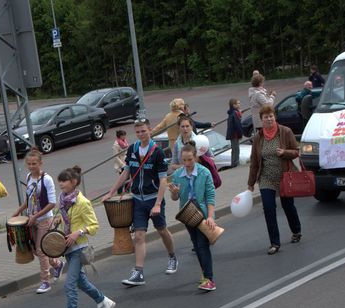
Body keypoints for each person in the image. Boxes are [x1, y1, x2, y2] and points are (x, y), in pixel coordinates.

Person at [103, 118, 177, 286]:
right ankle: (139, 272)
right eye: (138, 132)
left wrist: (158, 204)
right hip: (137, 200)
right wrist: (111, 192)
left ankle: (172, 256)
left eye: (144, 131)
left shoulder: (157, 152)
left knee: (162, 231)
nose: (141, 134)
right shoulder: (133, 149)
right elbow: (125, 173)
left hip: (153, 200)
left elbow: (163, 180)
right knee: (139, 235)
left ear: (150, 130)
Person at [55, 166, 115, 308]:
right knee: (81, 283)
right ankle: (104, 302)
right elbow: (68, 219)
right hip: (67, 248)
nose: (61, 184)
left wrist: (78, 232)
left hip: (79, 249)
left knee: (69, 285)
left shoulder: (82, 202)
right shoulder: (63, 200)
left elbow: (94, 226)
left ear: (74, 182)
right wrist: (58, 219)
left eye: (64, 181)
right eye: (60, 181)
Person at [247, 105, 302, 255]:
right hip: (266, 178)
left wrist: (284, 152)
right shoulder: (258, 137)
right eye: (266, 117)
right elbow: (254, 162)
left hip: (284, 176)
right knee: (269, 209)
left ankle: (296, 230)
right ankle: (274, 243)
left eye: (271, 116)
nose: (269, 119)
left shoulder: (285, 132)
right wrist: (251, 183)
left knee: (288, 206)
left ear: (275, 117)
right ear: (262, 120)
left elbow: (296, 152)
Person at [12, 149, 64, 294]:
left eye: (34, 163)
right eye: (29, 163)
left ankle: (45, 281)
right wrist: (19, 210)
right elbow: (28, 199)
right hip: (31, 219)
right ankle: (58, 264)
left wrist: (36, 216)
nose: (31, 166)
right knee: (36, 250)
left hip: (44, 219)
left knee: (41, 251)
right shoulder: (29, 177)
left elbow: (52, 203)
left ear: (40, 163)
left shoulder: (47, 179)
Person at [168, 143, 217, 291]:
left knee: (202, 245)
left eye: (190, 159)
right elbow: (175, 198)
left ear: (195, 157)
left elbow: (210, 196)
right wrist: (175, 192)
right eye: (184, 160)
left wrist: (210, 216)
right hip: (187, 214)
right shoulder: (177, 175)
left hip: (201, 213)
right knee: (196, 245)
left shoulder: (204, 172)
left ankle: (209, 279)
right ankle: (204, 274)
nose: (187, 163)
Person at [225, 98, 243, 168]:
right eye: (238, 103)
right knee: (236, 149)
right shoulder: (235, 113)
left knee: (234, 149)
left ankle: (234, 162)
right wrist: (240, 134)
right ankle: (235, 163)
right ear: (234, 105)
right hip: (234, 134)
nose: (239, 104)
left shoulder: (232, 112)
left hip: (232, 134)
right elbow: (237, 124)